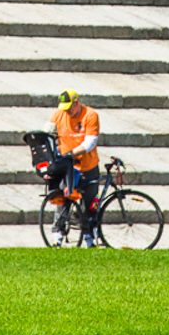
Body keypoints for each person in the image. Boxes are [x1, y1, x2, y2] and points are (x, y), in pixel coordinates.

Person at [49, 89, 102, 247]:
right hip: (68, 167)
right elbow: (49, 136)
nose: (67, 111)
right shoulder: (58, 115)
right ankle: (57, 236)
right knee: (62, 200)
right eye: (64, 108)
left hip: (88, 166)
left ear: (76, 103)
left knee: (89, 206)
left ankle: (89, 238)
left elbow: (89, 143)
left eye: (69, 108)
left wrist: (70, 153)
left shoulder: (91, 115)